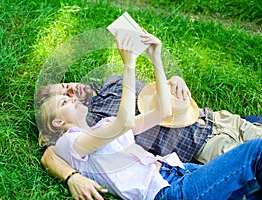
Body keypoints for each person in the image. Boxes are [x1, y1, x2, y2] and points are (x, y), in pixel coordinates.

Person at [38, 31, 262, 200]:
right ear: (58, 122)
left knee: (251, 187)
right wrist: (129, 66)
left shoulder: (103, 125)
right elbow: (123, 122)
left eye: (66, 88)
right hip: (166, 191)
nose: (73, 97)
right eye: (64, 101)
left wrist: (156, 57)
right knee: (255, 151)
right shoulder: (70, 143)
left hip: (177, 171)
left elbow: (162, 112)